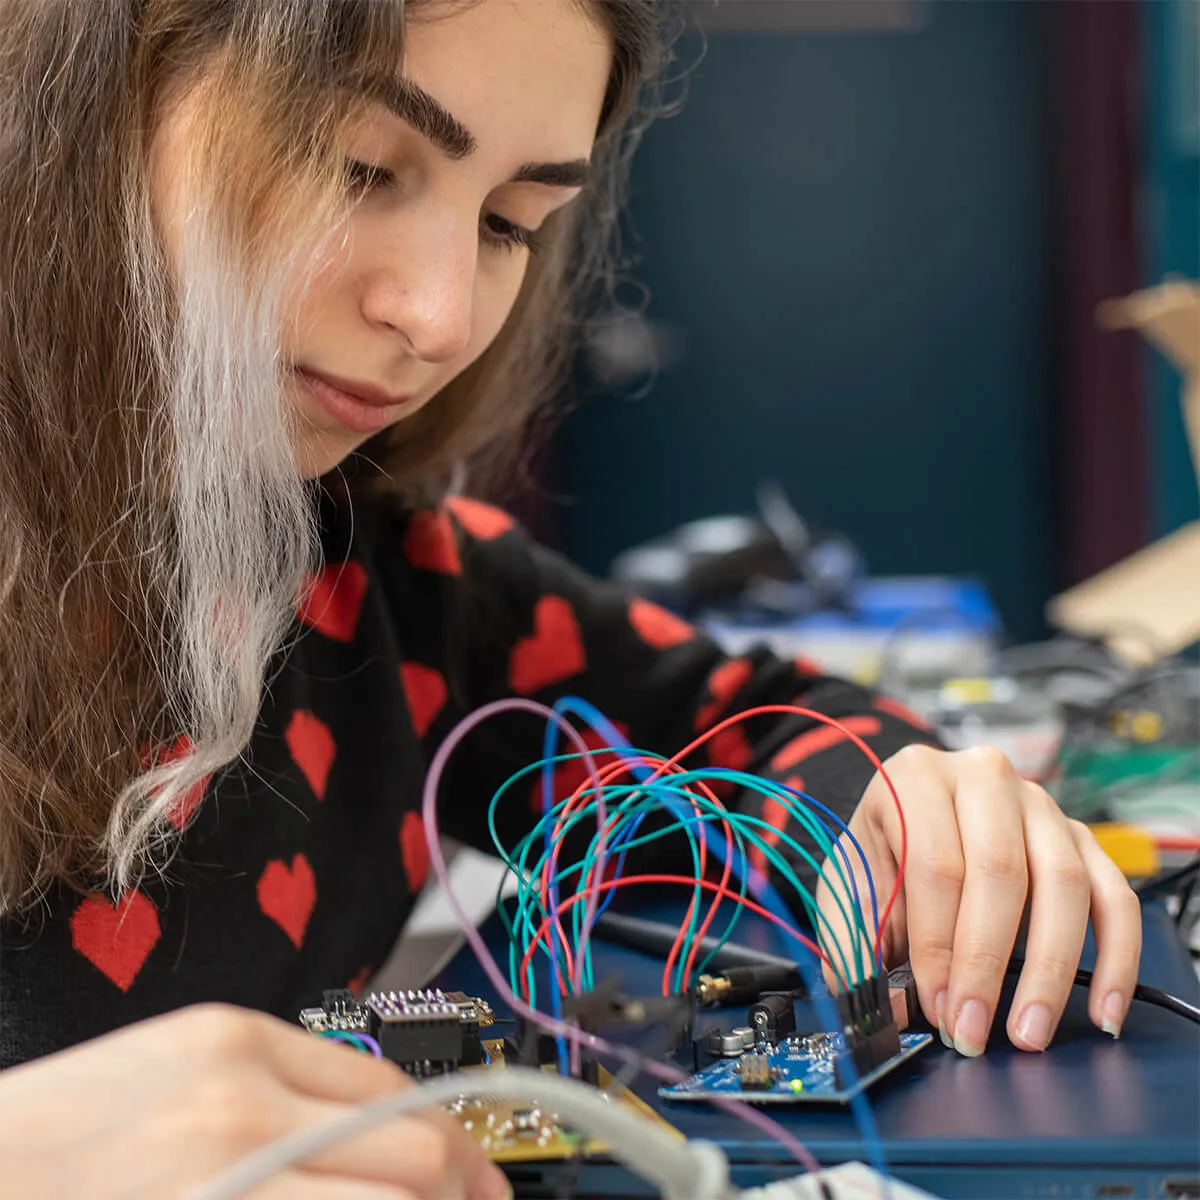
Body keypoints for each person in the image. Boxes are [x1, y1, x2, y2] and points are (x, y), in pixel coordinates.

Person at [0, 1, 1143, 1197]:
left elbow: (745, 724)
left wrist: (923, 804)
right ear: (97, 96)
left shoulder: (384, 578)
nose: (438, 317)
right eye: (358, 166)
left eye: (508, 224)